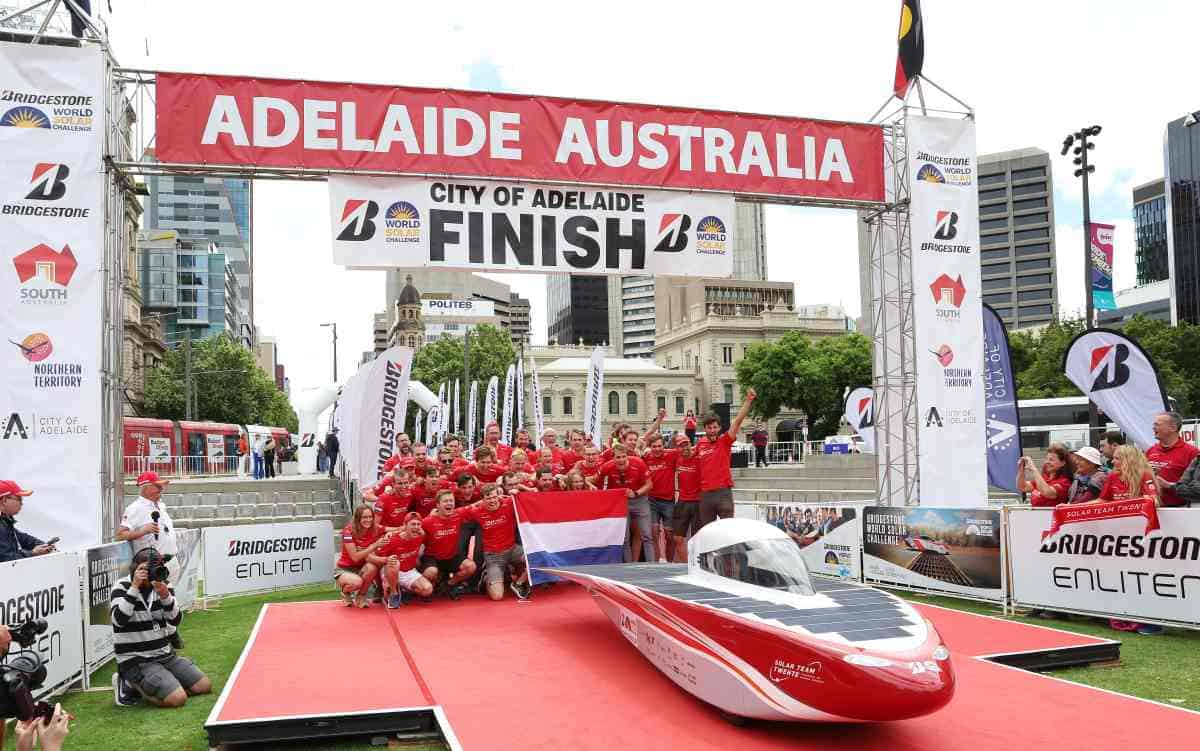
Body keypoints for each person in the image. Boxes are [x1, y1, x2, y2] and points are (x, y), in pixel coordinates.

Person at [110, 547, 211, 707]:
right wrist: (134, 587)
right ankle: (128, 684)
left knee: (204, 686)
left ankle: (165, 682)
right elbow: (118, 621)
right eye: (144, 568)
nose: (150, 572)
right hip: (136, 658)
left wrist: (165, 595)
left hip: (164, 654)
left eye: (154, 568)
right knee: (178, 699)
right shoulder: (122, 586)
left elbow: (176, 620)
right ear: (135, 568)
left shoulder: (162, 584)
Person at [116, 471, 183, 648]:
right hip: (152, 564)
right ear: (145, 487)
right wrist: (143, 530)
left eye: (161, 485)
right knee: (158, 600)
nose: (161, 489)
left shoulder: (160, 506)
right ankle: (165, 637)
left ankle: (169, 632)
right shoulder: (135, 509)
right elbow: (120, 535)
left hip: (170, 560)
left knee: (168, 598)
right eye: (157, 485)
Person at [696, 389, 756, 528]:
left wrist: (748, 401)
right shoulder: (700, 444)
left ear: (719, 428)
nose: (712, 430)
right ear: (705, 428)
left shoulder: (724, 441)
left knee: (727, 530)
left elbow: (737, 422)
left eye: (714, 427)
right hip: (705, 495)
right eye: (709, 427)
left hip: (723, 493)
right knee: (708, 532)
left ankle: (729, 551)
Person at [465, 483, 530, 600]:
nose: (492, 501)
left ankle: (519, 583)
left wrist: (519, 492)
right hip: (493, 556)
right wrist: (435, 512)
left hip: (513, 549)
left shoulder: (509, 503)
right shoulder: (476, 511)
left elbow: (533, 497)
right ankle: (486, 576)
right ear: (483, 500)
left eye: (494, 497)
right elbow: (458, 513)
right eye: (488, 498)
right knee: (497, 596)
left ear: (499, 496)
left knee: (536, 558)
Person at [599, 444, 653, 562]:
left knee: (647, 535)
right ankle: (628, 566)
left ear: (627, 456)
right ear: (613, 458)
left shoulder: (638, 463)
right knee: (625, 538)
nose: (621, 460)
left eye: (624, 457)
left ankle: (652, 565)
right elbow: (597, 483)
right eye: (618, 457)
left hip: (639, 500)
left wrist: (636, 493)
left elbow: (649, 484)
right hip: (620, 503)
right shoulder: (606, 467)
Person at [421, 490, 478, 599]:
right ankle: (432, 584)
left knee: (471, 567)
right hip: (433, 558)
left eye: (451, 501)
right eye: (446, 501)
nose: (449, 503)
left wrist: (499, 497)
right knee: (431, 573)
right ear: (438, 505)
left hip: (452, 557)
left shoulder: (458, 514)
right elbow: (408, 530)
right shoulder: (427, 521)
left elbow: (475, 505)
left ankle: (448, 584)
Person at [371, 512, 433, 608]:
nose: (416, 527)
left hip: (409, 571)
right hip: (391, 570)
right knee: (395, 562)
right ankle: (393, 593)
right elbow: (374, 557)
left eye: (418, 524)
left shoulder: (420, 536)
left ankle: (403, 590)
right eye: (412, 524)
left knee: (427, 590)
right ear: (405, 525)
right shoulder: (392, 539)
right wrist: (385, 561)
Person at [334, 505, 388, 608]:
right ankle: (345, 592)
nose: (368, 520)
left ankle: (361, 596)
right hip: (344, 569)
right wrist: (375, 545)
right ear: (358, 518)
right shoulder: (348, 531)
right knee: (357, 582)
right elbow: (355, 557)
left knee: (372, 567)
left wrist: (412, 526)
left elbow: (393, 529)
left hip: (361, 568)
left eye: (370, 517)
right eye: (364, 517)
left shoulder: (376, 528)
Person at [1146, 411, 1199, 508]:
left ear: (1173, 428)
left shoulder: (1192, 452)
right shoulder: (1151, 450)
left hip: (1179, 510)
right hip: (1152, 508)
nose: (1153, 427)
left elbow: (1195, 487)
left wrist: (1168, 485)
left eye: (1157, 424)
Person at [0, 481, 54, 563]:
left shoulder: (4, 522)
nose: (21, 503)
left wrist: (43, 545)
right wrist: (33, 553)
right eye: (19, 499)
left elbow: (23, 538)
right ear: (4, 500)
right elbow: (5, 559)